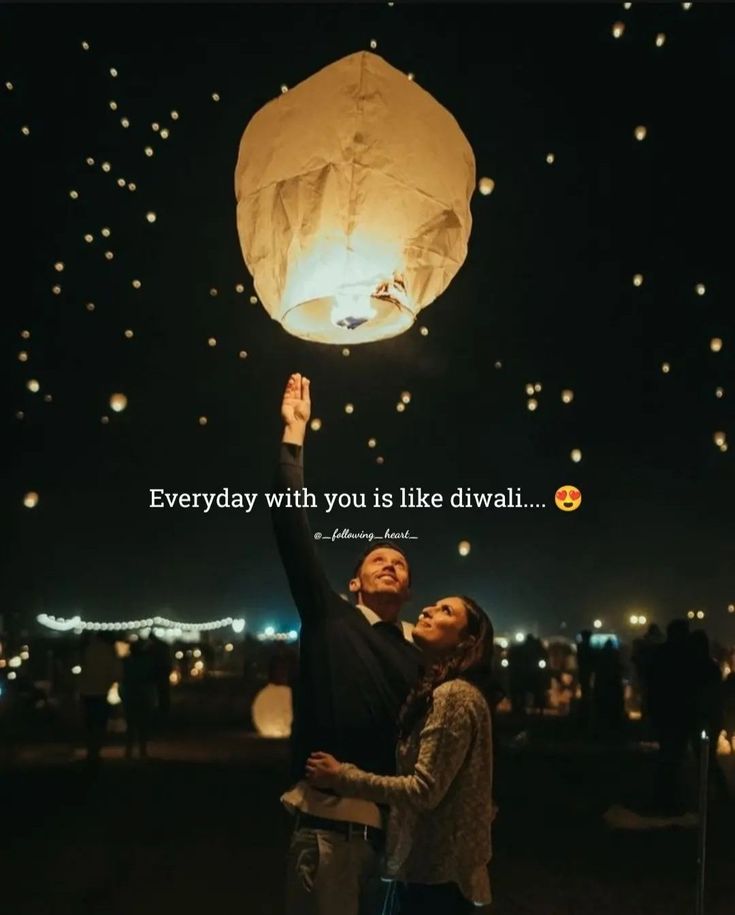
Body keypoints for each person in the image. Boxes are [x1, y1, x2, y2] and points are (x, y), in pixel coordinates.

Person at [273, 373, 422, 915]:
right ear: (353, 582)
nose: (390, 563)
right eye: (377, 559)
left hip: (400, 845)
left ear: (408, 590)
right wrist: (294, 436)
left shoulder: (417, 653)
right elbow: (290, 528)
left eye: (400, 562)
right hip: (328, 833)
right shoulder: (330, 618)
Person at [306, 595, 495, 915]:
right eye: (432, 605)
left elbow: (424, 791)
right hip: (435, 876)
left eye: (445, 611)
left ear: (467, 641)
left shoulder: (453, 696)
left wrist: (343, 777)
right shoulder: (449, 691)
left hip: (436, 881)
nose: (427, 610)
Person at [77, 632, 121, 767]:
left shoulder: (87, 650)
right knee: (100, 722)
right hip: (102, 691)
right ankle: (95, 750)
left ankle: (91, 750)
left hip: (87, 691)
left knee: (89, 722)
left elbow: (80, 669)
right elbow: (116, 672)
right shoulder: (108, 651)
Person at [121, 638, 157, 760]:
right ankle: (142, 751)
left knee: (130, 725)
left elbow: (123, 680)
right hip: (142, 696)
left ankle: (129, 751)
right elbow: (151, 679)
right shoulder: (147, 662)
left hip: (130, 696)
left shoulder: (126, 662)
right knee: (142, 725)